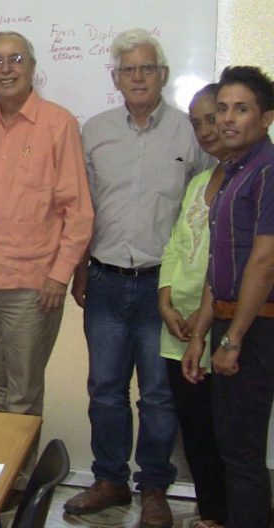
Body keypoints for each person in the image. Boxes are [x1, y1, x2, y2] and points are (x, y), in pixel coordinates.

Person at [64, 28, 210, 527]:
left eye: (147, 68)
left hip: (162, 289)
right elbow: (83, 209)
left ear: (163, 75)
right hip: (104, 280)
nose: (139, 77)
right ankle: (109, 479)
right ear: (116, 78)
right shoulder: (95, 130)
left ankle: (154, 487)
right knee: (104, 387)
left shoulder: (191, 134)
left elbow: (205, 211)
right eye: (129, 69)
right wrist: (79, 269)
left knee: (158, 394)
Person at [0, 31, 93, 420]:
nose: (6, 68)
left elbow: (79, 211)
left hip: (32, 287)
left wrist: (59, 275)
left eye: (15, 59)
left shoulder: (58, 124)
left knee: (21, 394)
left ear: (32, 68)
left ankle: (15, 481)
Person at [183, 65, 274, 528]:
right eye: (222, 109)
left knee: (241, 452)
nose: (227, 119)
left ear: (266, 118)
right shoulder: (231, 173)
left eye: (241, 109)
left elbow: (264, 261)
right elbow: (217, 267)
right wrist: (200, 334)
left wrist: (234, 338)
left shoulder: (267, 172)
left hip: (256, 326)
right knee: (229, 443)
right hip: (224, 320)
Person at [157, 84, 227, 528]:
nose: (205, 130)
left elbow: (228, 265)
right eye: (197, 122)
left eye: (212, 118)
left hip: (213, 324)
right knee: (195, 430)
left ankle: (222, 515)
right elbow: (177, 244)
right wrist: (164, 300)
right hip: (177, 324)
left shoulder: (248, 180)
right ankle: (209, 513)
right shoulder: (201, 180)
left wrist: (201, 327)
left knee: (224, 432)